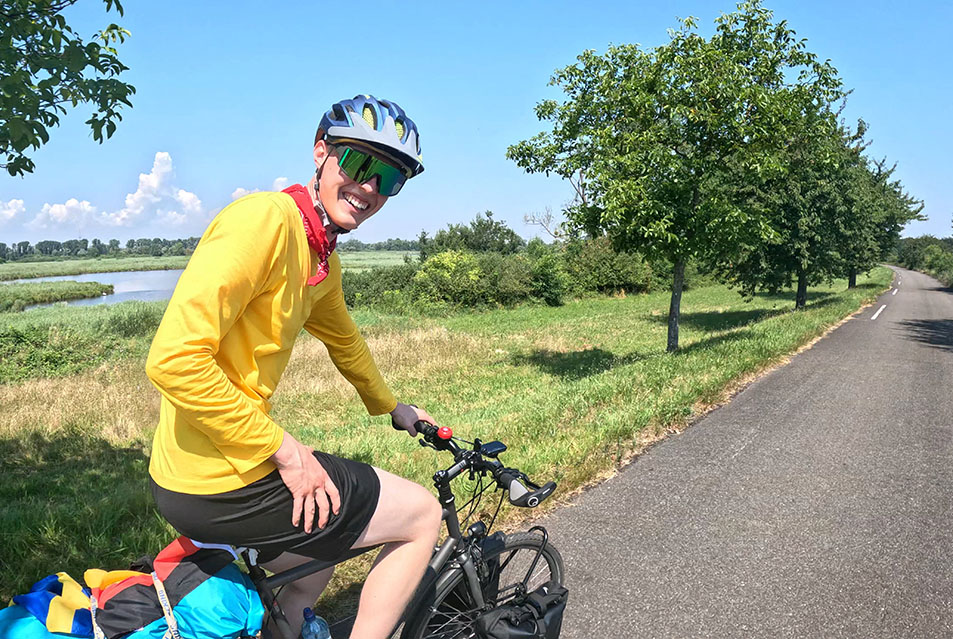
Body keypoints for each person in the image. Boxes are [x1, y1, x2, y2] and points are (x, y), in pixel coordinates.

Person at [145, 95, 443, 639]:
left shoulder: (318, 253)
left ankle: (284, 628)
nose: (370, 187)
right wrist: (287, 451)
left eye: (389, 179)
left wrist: (392, 407)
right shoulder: (265, 222)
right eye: (358, 164)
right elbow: (174, 360)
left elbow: (345, 341)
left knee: (321, 548)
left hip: (196, 475)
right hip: (220, 479)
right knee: (422, 514)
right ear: (320, 152)